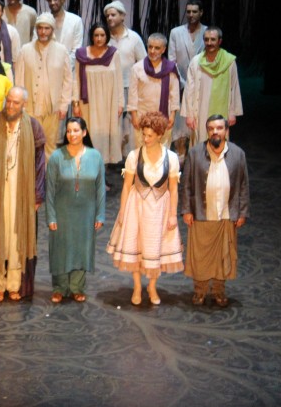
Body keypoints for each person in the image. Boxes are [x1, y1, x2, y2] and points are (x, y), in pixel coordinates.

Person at [0, 87, 47, 303]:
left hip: (22, 193)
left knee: (17, 238)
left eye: (16, 103)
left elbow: (40, 165)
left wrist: (37, 196)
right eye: (8, 101)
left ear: (24, 104)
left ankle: (15, 285)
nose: (11, 106)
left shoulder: (33, 127)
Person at [106, 111, 183, 305]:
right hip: (137, 206)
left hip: (159, 208)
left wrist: (173, 214)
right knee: (136, 246)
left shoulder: (171, 158)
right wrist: (122, 212)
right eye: (144, 134)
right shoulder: (134, 156)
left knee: (155, 247)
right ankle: (138, 286)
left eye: (150, 135)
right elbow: (126, 186)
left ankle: (152, 286)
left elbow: (173, 189)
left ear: (160, 135)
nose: (145, 139)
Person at [181, 114, 250, 307]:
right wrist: (187, 210)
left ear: (226, 131)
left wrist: (242, 212)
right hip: (202, 214)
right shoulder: (195, 153)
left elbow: (244, 185)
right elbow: (186, 185)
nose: (215, 132)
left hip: (227, 215)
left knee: (224, 257)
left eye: (219, 128)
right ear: (207, 131)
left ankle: (219, 292)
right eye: (211, 128)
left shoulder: (238, 154)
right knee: (200, 257)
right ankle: (200, 292)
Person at [45, 117, 105, 303]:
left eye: (76, 130)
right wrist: (51, 216)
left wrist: (100, 214)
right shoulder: (56, 157)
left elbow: (100, 187)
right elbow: (49, 190)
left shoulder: (95, 156)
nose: (72, 134)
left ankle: (77, 287)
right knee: (61, 249)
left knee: (82, 249)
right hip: (62, 212)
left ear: (84, 132)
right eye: (69, 131)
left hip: (86, 213)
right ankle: (60, 288)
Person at [14, 13, 72, 155]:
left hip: (53, 106)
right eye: (40, 28)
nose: (43, 31)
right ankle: (32, 175)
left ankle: (48, 175)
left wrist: (64, 105)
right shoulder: (25, 50)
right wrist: (21, 104)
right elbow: (19, 80)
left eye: (47, 28)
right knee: (31, 142)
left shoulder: (62, 50)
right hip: (30, 106)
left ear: (52, 30)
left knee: (50, 142)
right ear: (36, 29)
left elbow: (68, 80)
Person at [72, 22, 123, 164]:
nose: (99, 38)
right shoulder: (82, 55)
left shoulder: (113, 54)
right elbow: (75, 80)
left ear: (107, 36)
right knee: (89, 135)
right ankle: (86, 174)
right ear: (92, 37)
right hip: (88, 103)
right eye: (96, 35)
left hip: (108, 103)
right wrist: (76, 103)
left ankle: (102, 175)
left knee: (106, 137)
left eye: (102, 35)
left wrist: (120, 103)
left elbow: (119, 79)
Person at [183, 27, 243, 145]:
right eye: (206, 40)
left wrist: (232, 112)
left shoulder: (229, 61)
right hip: (200, 110)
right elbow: (189, 89)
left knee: (220, 141)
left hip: (222, 109)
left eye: (212, 40)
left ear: (219, 41)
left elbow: (234, 88)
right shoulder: (196, 62)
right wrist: (189, 115)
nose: (209, 43)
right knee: (201, 142)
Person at [103, 0, 147, 157]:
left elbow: (143, 63)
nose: (109, 18)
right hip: (108, 88)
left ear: (123, 16)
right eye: (107, 15)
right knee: (110, 125)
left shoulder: (134, 38)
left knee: (129, 124)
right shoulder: (103, 37)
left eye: (113, 15)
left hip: (129, 86)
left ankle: (130, 158)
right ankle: (111, 157)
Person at [168, 0, 207, 154]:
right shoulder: (176, 32)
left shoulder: (207, 32)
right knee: (180, 122)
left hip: (201, 83)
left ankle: (197, 154)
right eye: (188, 11)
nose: (191, 15)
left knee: (197, 119)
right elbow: (172, 60)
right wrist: (183, 82)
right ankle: (180, 155)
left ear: (201, 13)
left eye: (194, 11)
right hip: (180, 83)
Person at [127, 33, 179, 147]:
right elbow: (132, 95)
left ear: (164, 49)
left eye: (157, 48)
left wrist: (173, 115)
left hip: (163, 116)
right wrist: (134, 116)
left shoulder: (170, 68)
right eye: (150, 47)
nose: (152, 51)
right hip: (142, 115)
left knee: (163, 149)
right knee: (142, 149)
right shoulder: (137, 68)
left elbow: (174, 94)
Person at [42, 0, 85, 64]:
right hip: (46, 67)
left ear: (62, 0)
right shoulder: (42, 20)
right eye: (49, 0)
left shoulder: (75, 20)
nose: (52, 2)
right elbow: (37, 43)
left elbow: (76, 49)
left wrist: (64, 65)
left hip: (68, 68)